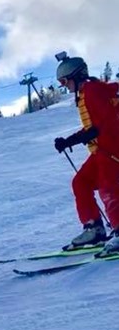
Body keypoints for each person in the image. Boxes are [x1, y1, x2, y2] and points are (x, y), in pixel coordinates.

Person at [53, 53, 119, 255]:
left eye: (65, 80)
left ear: (77, 76)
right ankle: (94, 228)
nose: (64, 85)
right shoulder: (84, 94)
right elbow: (94, 126)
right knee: (81, 182)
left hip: (111, 149)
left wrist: (91, 133)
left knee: (108, 188)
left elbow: (107, 122)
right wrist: (69, 141)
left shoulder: (92, 90)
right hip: (100, 150)